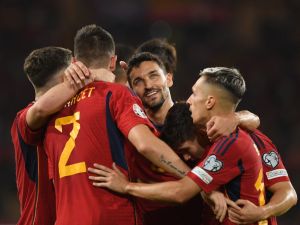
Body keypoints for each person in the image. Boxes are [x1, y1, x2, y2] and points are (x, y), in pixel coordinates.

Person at [43, 24, 190, 225]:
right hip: (112, 214)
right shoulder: (115, 94)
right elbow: (145, 144)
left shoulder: (51, 108)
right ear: (112, 62)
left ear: (76, 62)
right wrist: (193, 178)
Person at [88, 67, 268, 225]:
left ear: (210, 101)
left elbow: (181, 192)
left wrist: (126, 187)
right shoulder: (226, 138)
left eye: (194, 94)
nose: (189, 100)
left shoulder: (229, 144)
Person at [161, 102, 297, 224]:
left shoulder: (251, 141)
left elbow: (288, 193)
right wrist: (208, 192)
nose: (186, 158)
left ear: (200, 133)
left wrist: (262, 212)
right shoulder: (200, 152)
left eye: (186, 150)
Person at [10, 46, 91, 225]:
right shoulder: (25, 117)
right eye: (74, 68)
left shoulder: (71, 111)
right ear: (66, 75)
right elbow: (40, 109)